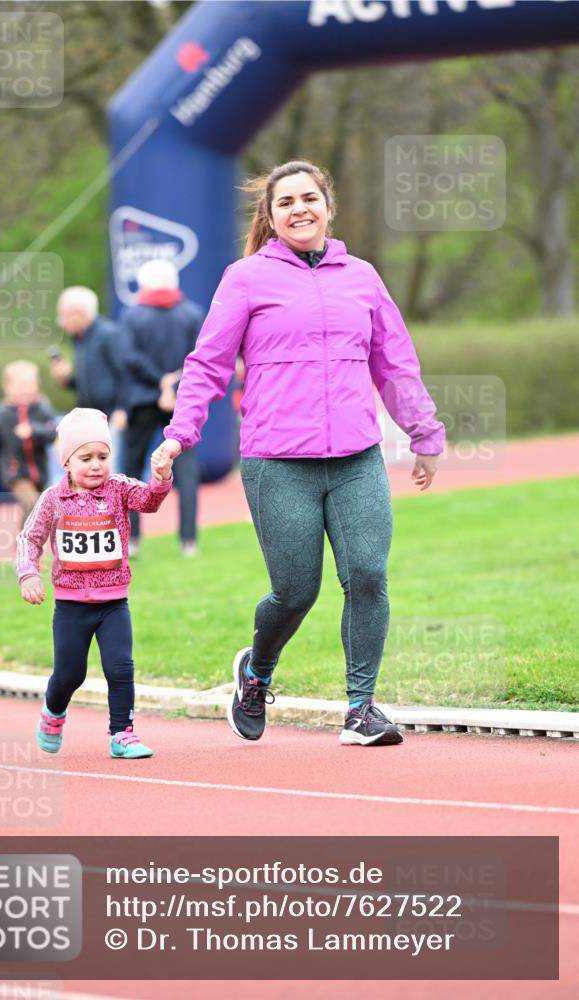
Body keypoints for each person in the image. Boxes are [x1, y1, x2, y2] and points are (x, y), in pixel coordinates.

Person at [153, 160, 445, 747]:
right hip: (277, 461)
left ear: (328, 207)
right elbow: (208, 364)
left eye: (309, 198)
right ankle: (256, 672)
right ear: (271, 216)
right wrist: (179, 433)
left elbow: (395, 362)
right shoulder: (245, 279)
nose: (299, 209)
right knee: (296, 590)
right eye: (285, 202)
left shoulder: (361, 276)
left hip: (356, 457)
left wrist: (424, 432)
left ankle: (361, 708)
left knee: (366, 574)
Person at [16, 407, 173, 759]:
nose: (96, 465)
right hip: (71, 605)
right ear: (67, 462)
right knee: (70, 674)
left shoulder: (117, 488)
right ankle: (53, 711)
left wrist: (161, 478)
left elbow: (149, 501)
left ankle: (122, 734)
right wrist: (28, 574)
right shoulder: (53, 499)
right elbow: (30, 537)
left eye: (103, 456)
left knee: (120, 667)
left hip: (114, 602)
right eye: (85, 458)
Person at [112, 259, 204, 558]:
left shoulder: (132, 315)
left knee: (132, 471)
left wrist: (158, 381)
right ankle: (188, 542)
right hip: (182, 403)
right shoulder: (191, 313)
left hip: (141, 400)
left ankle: (132, 540)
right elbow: (201, 356)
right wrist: (173, 385)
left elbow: (127, 357)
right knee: (187, 470)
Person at [0, 360, 58, 529]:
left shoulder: (43, 409)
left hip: (39, 470)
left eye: (30, 384)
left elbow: (53, 432)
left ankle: (21, 543)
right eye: (20, 385)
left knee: (32, 506)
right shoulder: (2, 415)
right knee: (32, 502)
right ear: (7, 387)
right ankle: (27, 545)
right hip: (14, 470)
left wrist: (33, 430)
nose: (26, 389)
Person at [50, 287, 123, 417]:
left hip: (112, 415)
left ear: (80, 313)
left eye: (64, 315)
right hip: (89, 415)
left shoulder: (108, 334)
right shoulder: (78, 338)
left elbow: (126, 374)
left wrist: (122, 409)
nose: (61, 322)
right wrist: (66, 379)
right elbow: (87, 383)